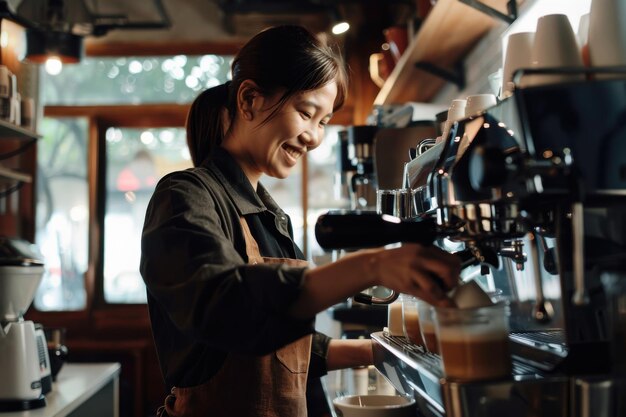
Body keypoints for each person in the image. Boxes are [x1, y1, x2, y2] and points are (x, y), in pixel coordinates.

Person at [140, 25, 460, 417]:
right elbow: (227, 306)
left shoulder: (272, 216)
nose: (314, 137)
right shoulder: (184, 196)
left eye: (324, 121)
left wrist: (382, 350)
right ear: (250, 99)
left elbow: (287, 352)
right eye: (306, 113)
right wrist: (373, 265)